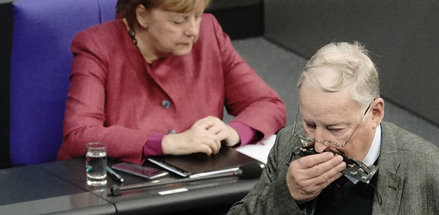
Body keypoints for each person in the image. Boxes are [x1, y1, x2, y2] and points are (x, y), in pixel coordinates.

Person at [227, 42, 439, 214]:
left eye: (335, 129)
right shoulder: (288, 144)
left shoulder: (434, 175)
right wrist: (287, 194)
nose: (320, 146)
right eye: (310, 124)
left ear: (375, 113)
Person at [57, 0, 286, 164]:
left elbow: (268, 104)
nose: (193, 31)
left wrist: (232, 132)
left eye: (197, 15)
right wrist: (167, 143)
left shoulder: (209, 32)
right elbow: (80, 134)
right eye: (178, 21)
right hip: (124, 185)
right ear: (142, 15)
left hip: (200, 183)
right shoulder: (97, 45)